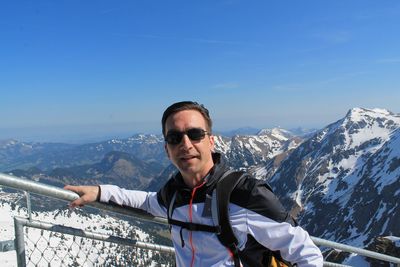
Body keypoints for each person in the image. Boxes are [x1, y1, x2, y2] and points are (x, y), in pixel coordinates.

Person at [65, 101, 323, 267]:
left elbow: (306, 254)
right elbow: (147, 202)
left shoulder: (244, 194)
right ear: (167, 150)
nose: (185, 144)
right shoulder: (175, 193)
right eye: (175, 138)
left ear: (211, 141)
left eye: (195, 134)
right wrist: (100, 191)